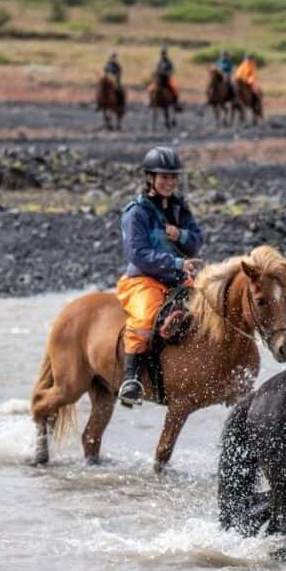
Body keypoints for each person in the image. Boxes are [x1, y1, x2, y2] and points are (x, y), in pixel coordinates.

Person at [116, 146, 203, 407]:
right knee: (144, 320)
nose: (169, 182)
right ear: (150, 178)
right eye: (164, 177)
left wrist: (181, 236)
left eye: (173, 177)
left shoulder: (179, 207)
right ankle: (130, 380)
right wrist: (177, 262)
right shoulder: (136, 212)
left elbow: (196, 241)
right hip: (143, 279)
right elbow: (138, 254)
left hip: (177, 279)